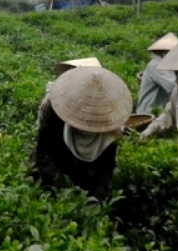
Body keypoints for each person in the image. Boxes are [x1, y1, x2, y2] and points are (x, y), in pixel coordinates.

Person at [30, 66, 132, 201]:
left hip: (85, 176)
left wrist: (97, 197)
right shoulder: (55, 110)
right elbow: (42, 152)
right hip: (54, 171)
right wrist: (63, 185)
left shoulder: (108, 128)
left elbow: (106, 169)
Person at [135, 33, 178, 115]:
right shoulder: (156, 66)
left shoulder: (166, 65)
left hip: (161, 110)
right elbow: (173, 86)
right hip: (149, 112)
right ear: (165, 52)